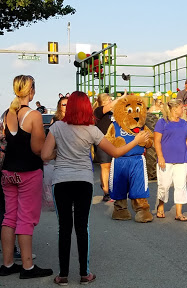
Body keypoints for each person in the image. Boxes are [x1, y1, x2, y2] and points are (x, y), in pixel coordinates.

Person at [41, 91, 150, 285]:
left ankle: (63, 275)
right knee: (82, 227)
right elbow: (115, 152)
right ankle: (85, 274)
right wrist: (135, 141)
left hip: (61, 182)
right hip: (83, 182)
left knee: (64, 228)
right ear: (85, 108)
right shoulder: (91, 130)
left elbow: (45, 155)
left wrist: (62, 152)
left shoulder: (57, 127)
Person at [0, 75, 52, 279]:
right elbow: (38, 148)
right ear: (32, 90)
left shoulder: (7, 113)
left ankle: (7, 264)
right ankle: (28, 267)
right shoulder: (34, 116)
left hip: (8, 172)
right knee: (26, 218)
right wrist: (52, 151)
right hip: (28, 172)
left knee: (9, 216)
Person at [154, 99, 187, 221]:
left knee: (180, 185)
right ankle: (160, 206)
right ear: (174, 108)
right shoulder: (162, 123)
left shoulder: (183, 123)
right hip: (165, 160)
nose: (183, 110)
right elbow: (156, 141)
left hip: (181, 159)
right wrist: (160, 156)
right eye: (182, 107)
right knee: (164, 185)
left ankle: (179, 213)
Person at [92, 91, 127, 202]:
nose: (111, 102)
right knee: (105, 166)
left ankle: (110, 187)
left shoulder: (112, 113)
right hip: (102, 142)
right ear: (103, 102)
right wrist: (122, 98)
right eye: (109, 100)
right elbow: (111, 106)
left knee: (114, 166)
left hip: (113, 142)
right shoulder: (98, 111)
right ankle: (106, 192)